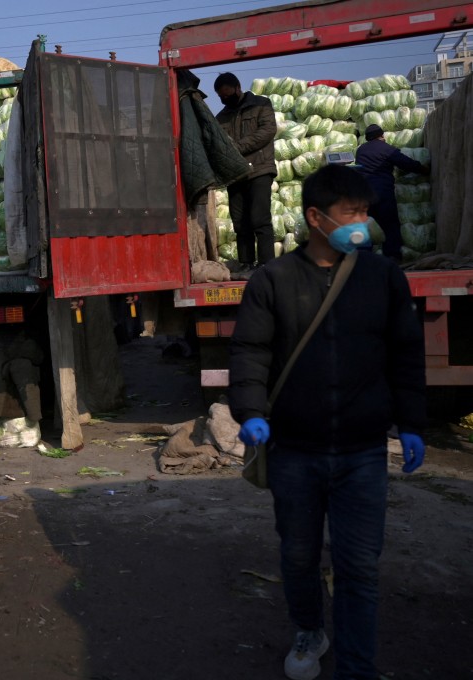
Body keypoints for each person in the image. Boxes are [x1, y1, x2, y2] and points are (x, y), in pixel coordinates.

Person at [228, 164, 426, 680]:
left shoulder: (383, 277)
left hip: (362, 453)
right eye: (351, 212)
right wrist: (249, 413)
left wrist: (411, 422)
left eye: (365, 211)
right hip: (295, 451)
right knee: (298, 556)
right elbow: (251, 353)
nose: (362, 221)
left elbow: (406, 354)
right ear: (316, 217)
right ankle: (309, 630)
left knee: (359, 567)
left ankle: (357, 667)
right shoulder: (274, 280)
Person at [214, 72, 278, 280]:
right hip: (236, 175)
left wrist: (238, 147)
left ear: (237, 87)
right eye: (221, 97)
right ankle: (246, 263)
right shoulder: (221, 117)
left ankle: (266, 265)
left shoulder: (261, 104)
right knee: (240, 222)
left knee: (260, 219)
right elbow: (219, 144)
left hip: (259, 169)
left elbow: (267, 131)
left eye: (227, 94)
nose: (225, 99)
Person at [354, 123, 431, 263]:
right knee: (389, 225)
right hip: (382, 193)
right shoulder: (386, 149)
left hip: (363, 194)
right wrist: (423, 169)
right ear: (381, 135)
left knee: (366, 226)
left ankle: (364, 257)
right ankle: (392, 257)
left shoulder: (360, 150)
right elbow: (405, 162)